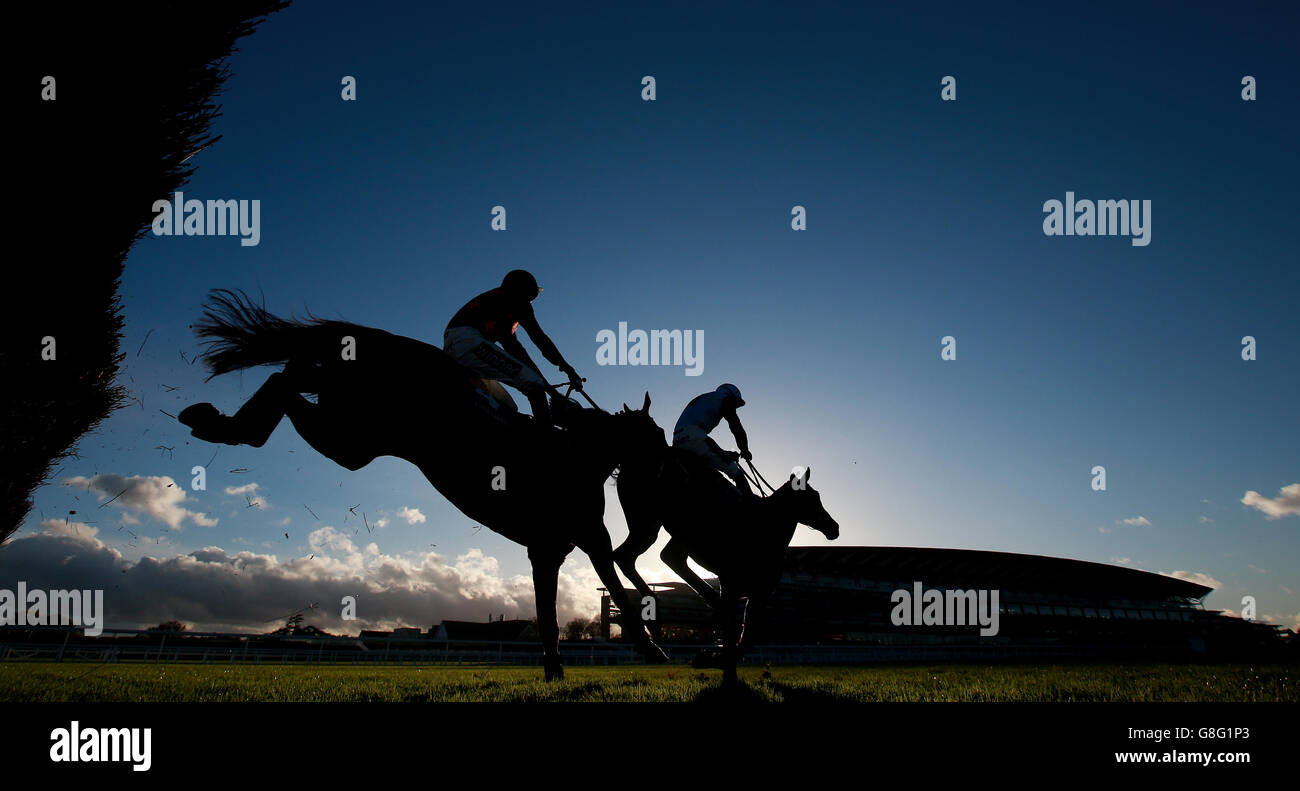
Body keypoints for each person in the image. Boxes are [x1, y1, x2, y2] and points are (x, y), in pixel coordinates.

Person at [444, 270, 582, 427]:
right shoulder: (518, 302)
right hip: (468, 342)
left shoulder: (498, 305)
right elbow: (539, 339)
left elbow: (518, 355)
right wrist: (566, 367)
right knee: (534, 386)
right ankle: (547, 441)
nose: (530, 304)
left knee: (515, 399)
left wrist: (550, 390)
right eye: (531, 298)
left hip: (456, 344)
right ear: (524, 292)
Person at [672, 383, 754, 495]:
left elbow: (706, 448)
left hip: (678, 438)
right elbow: (736, 427)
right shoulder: (724, 399)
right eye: (735, 403)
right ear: (729, 395)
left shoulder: (707, 398)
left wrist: (726, 453)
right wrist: (744, 449)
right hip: (694, 436)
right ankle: (751, 505)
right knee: (735, 471)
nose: (734, 407)